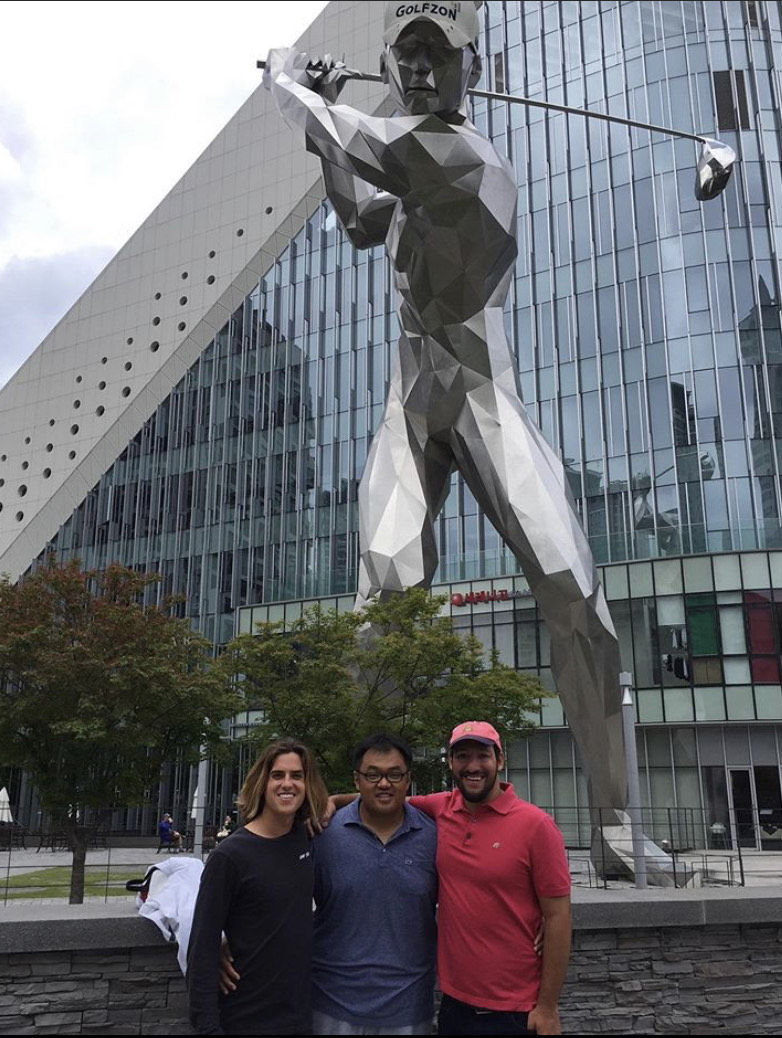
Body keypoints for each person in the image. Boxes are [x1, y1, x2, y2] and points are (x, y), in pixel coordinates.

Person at [262, 1, 628, 835]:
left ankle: (616, 826)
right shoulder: (411, 173)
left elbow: (364, 144)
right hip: (411, 400)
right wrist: (323, 139)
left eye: (437, 53)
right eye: (406, 55)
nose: (419, 68)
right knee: (382, 613)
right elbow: (360, 218)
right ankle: (361, 825)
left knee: (576, 595)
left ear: (473, 67)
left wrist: (290, 88)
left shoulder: (468, 161)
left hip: (482, 396)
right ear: (390, 66)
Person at [411, 721, 571, 1036]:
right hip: (455, 1006)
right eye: (463, 756)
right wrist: (332, 804)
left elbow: (559, 916)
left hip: (515, 1013)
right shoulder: (441, 808)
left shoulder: (537, 825)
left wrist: (548, 1007)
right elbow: (382, 799)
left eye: (482, 756)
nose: (473, 766)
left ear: (499, 760)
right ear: (451, 763)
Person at [186, 737, 328, 1036]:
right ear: (262, 782)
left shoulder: (304, 838)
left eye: (297, 776)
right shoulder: (231, 856)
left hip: (299, 1018)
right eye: (278, 775)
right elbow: (202, 950)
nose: (287, 784)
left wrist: (333, 801)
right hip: (245, 1018)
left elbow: (369, 796)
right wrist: (208, 1028)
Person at [312, 733, 437, 1035]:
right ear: (357, 780)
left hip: (409, 1007)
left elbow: (470, 896)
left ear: (408, 780)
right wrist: (229, 935)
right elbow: (282, 898)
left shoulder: (434, 838)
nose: (384, 783)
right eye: (373, 774)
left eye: (395, 774)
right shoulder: (322, 835)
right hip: (331, 1004)